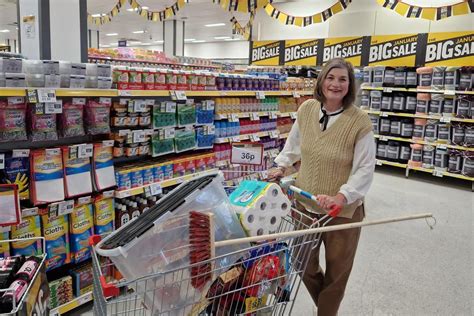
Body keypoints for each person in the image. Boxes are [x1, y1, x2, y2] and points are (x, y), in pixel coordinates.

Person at [269, 58, 376, 316]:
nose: (335, 84)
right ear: (321, 81)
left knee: (337, 273)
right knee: (302, 262)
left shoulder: (359, 121)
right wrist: (281, 165)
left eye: (343, 79)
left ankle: (326, 313)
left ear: (350, 86)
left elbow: (365, 167)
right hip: (305, 206)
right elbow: (293, 145)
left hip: (342, 213)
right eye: (330, 77)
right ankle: (327, 306)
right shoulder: (307, 109)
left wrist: (342, 195)